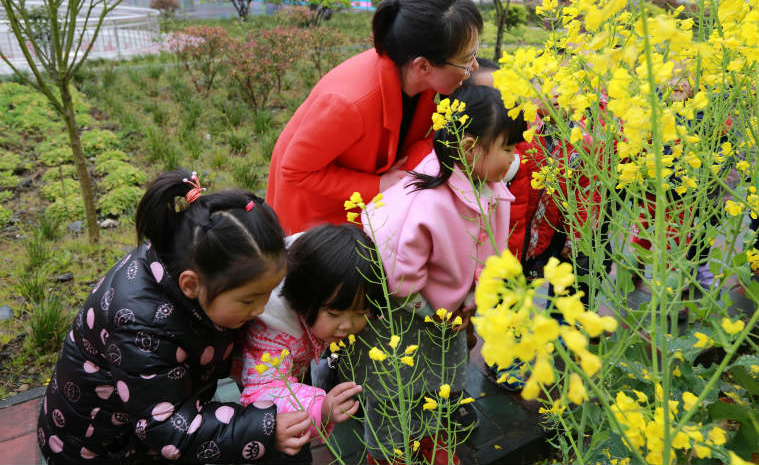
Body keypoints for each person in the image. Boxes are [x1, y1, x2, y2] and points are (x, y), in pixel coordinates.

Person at [37, 170, 311, 464]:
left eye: (267, 293)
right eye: (249, 300)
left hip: (159, 413)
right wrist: (264, 429)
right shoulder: (142, 327)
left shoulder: (194, 263)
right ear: (191, 285)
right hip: (101, 448)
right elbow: (167, 430)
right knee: (266, 438)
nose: (260, 309)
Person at [357, 84, 524, 464]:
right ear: (469, 148)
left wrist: (472, 299)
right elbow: (397, 276)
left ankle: (433, 446)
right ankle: (388, 456)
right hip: (403, 317)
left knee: (438, 389)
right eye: (509, 149)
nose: (515, 159)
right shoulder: (423, 201)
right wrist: (437, 312)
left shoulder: (485, 182)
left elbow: (488, 253)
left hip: (445, 316)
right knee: (394, 394)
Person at [266, 0, 483, 234]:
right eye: (466, 60)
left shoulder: (421, 79)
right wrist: (379, 184)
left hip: (359, 203)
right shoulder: (349, 104)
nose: (475, 66)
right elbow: (295, 171)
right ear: (423, 66)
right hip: (315, 216)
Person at [238, 224, 383, 464]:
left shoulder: (322, 283)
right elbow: (261, 392)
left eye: (361, 313)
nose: (347, 325)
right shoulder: (271, 331)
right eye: (335, 314)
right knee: (285, 445)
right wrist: (321, 410)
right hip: (262, 373)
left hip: (296, 358)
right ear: (302, 297)